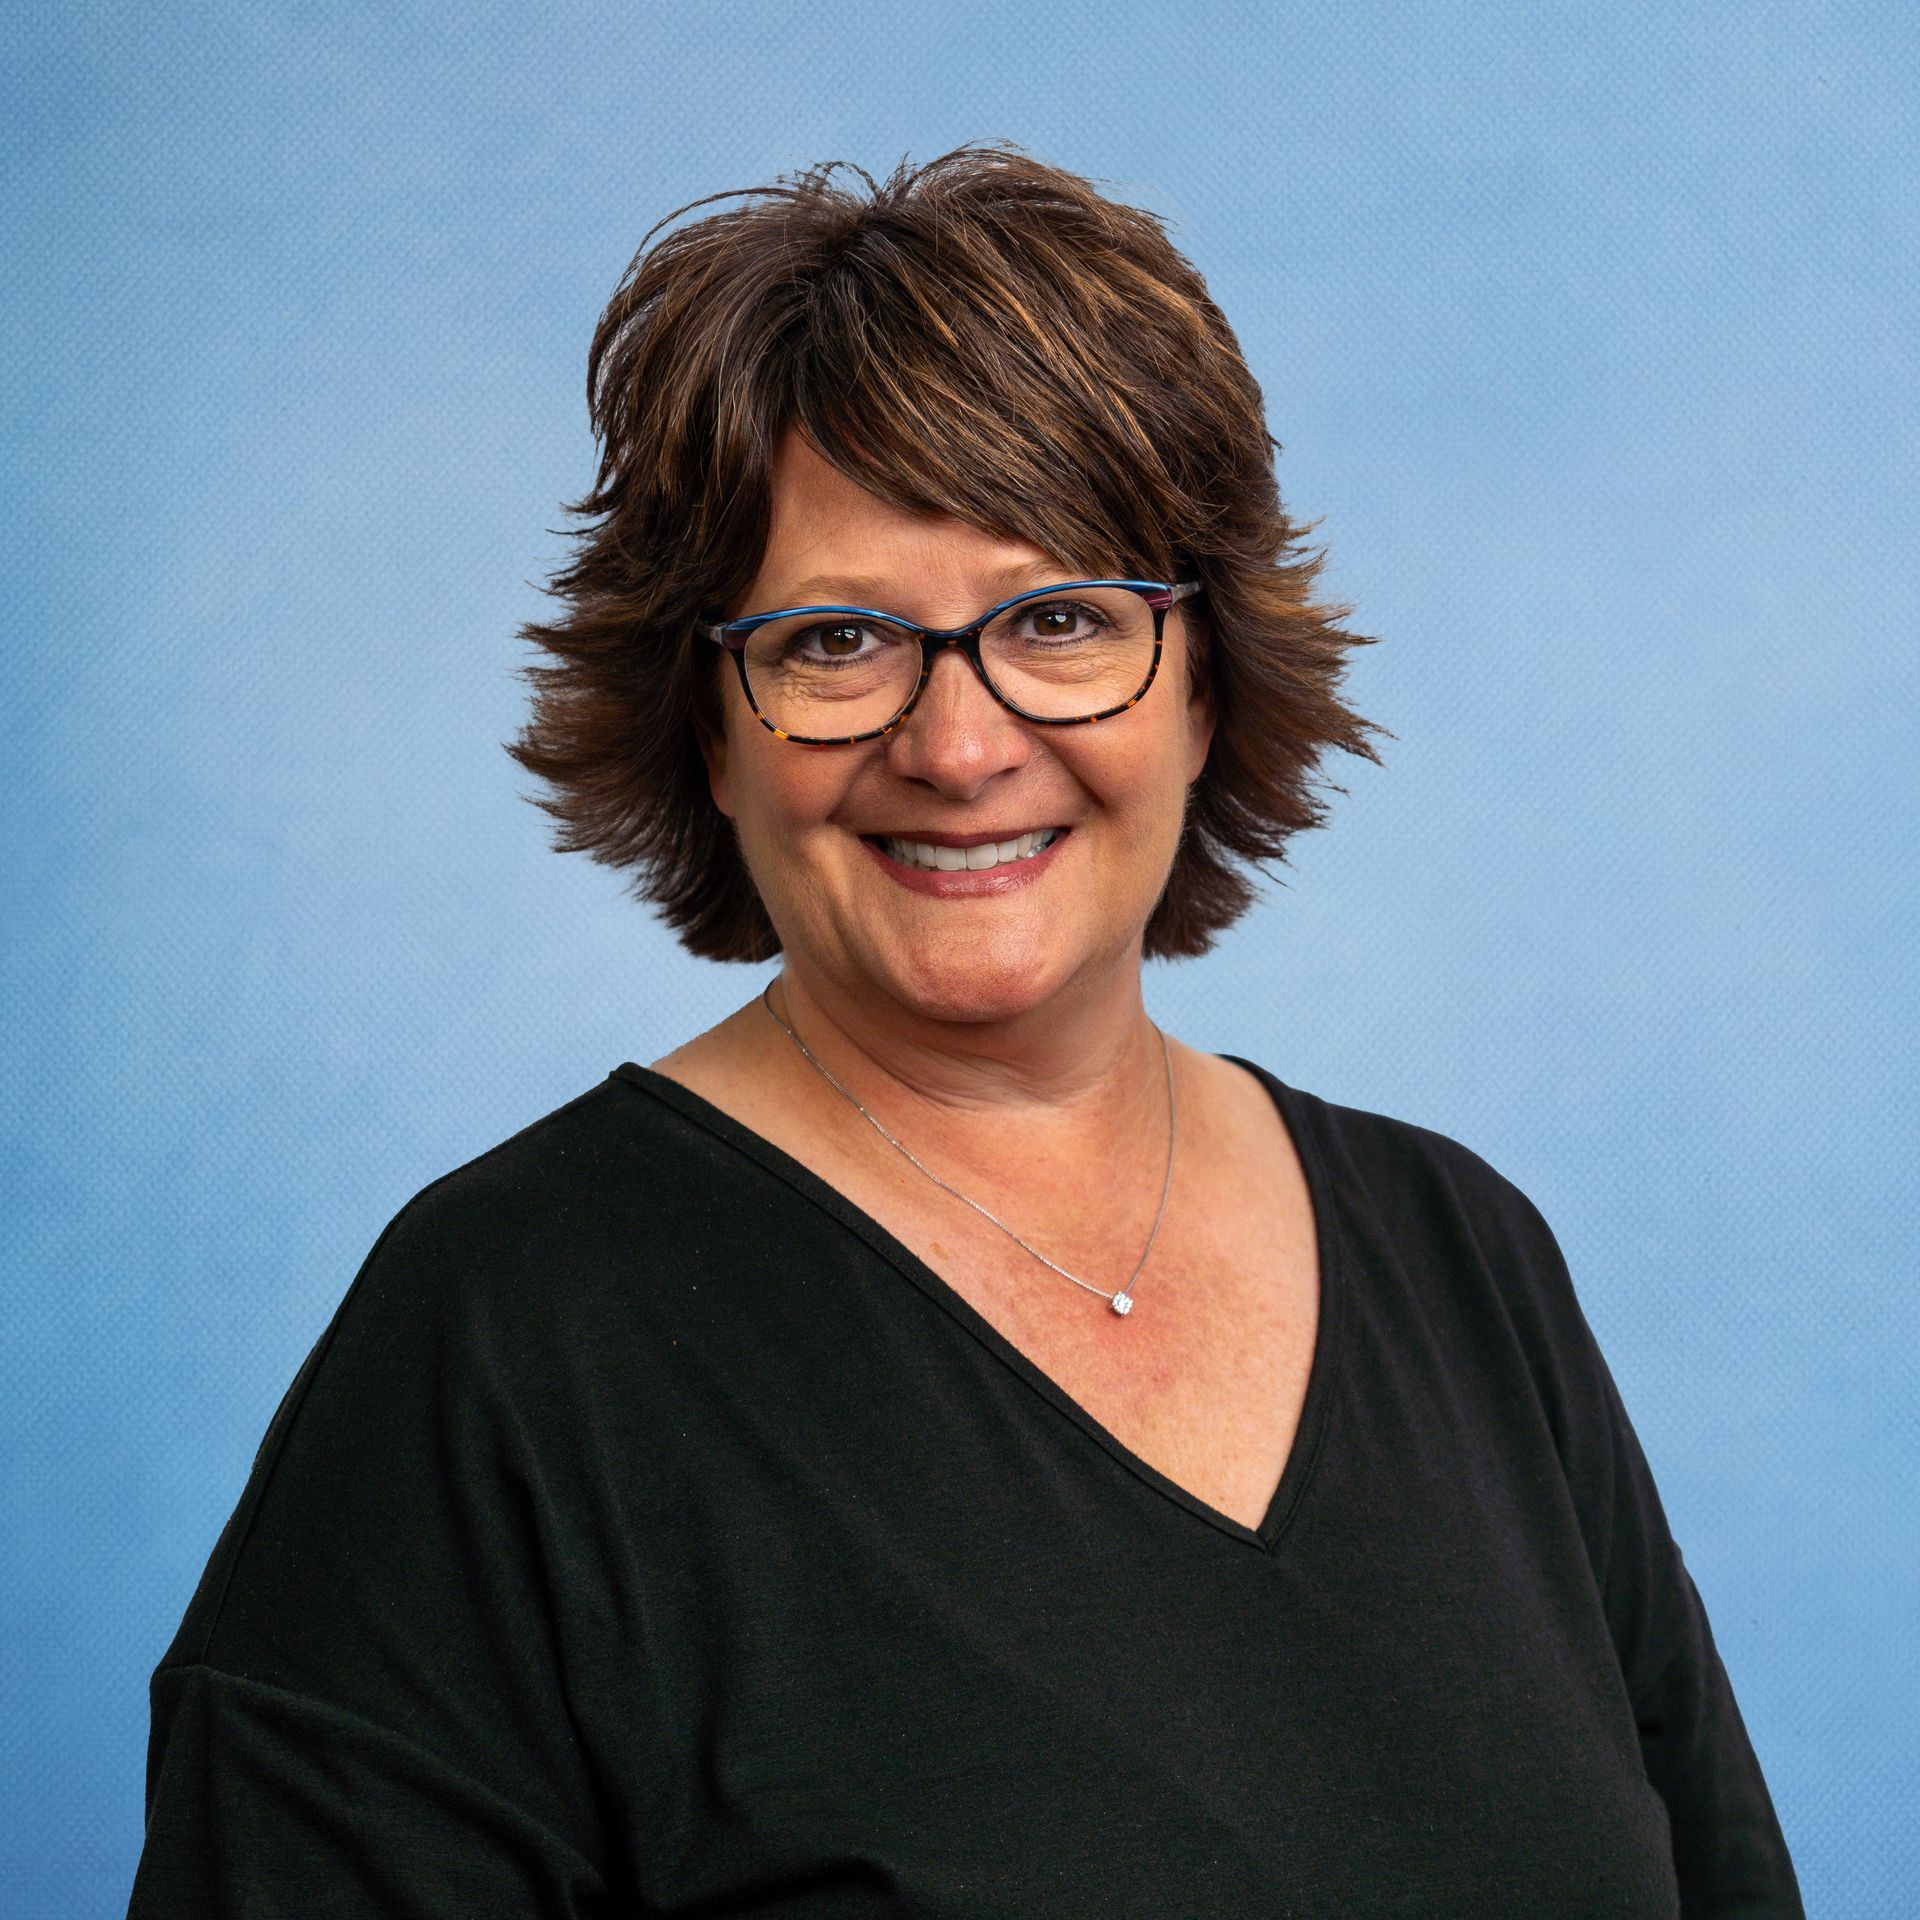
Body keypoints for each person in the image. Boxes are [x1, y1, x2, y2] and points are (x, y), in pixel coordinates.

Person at [128, 145, 1805, 1917]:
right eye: (840, 639)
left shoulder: (1466, 1258)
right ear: (708, 725)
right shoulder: (504, 1342)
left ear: (1209, 681)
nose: (958, 744)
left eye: (1064, 620)